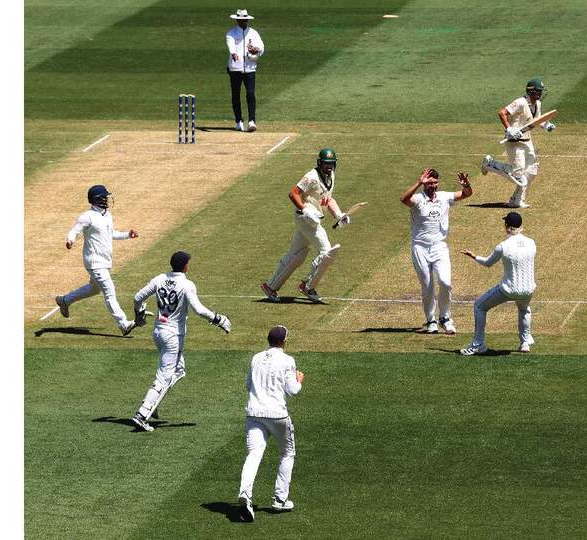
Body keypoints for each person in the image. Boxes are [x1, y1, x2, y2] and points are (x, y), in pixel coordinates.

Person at [130, 251, 232, 432]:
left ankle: (153, 401)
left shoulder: (159, 278)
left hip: (158, 332)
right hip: (173, 337)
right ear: (184, 265)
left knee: (178, 370)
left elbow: (138, 298)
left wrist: (139, 315)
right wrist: (219, 319)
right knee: (164, 376)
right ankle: (142, 414)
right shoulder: (186, 284)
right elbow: (199, 310)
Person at [261, 148, 351, 304]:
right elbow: (293, 193)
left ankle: (270, 286)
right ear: (320, 163)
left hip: (314, 219)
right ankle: (308, 286)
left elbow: (327, 199)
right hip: (305, 219)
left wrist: (339, 215)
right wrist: (304, 209)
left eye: (331, 164)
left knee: (297, 255)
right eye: (326, 164)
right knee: (327, 251)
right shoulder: (311, 177)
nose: (329, 168)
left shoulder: (330, 177)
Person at [238, 325, 304, 521]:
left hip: (254, 413)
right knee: (287, 452)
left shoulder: (256, 358)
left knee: (254, 454)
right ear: (283, 342)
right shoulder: (288, 361)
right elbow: (293, 390)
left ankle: (245, 494)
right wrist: (299, 380)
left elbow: (248, 385)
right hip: (277, 415)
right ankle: (280, 499)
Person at [55, 184, 139, 335]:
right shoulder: (87, 216)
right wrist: (70, 240)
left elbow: (111, 234)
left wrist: (127, 234)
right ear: (97, 199)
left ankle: (64, 300)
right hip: (94, 262)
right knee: (109, 291)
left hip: (105, 261)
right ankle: (123, 324)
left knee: (93, 289)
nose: (107, 199)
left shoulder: (107, 215)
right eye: (105, 197)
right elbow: (75, 231)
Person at [400, 167, 473, 333]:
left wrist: (467, 184)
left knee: (446, 282)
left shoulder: (444, 197)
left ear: (438, 183)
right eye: (429, 183)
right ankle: (430, 320)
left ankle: (445, 318)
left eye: (434, 182)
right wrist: (419, 183)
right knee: (427, 286)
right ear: (425, 184)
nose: (432, 185)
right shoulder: (418, 199)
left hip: (439, 247)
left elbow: (467, 194)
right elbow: (404, 199)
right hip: (420, 247)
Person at [458, 212, 537, 355]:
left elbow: (488, 263)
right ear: (521, 227)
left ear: (507, 227)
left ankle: (478, 344)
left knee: (479, 306)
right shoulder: (531, 243)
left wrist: (474, 256)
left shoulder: (503, 246)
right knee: (524, 309)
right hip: (528, 288)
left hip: (509, 289)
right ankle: (525, 342)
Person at [480, 78, 556, 208]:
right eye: (537, 91)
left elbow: (536, 120)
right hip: (514, 142)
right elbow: (502, 113)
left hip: (527, 141)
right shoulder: (520, 102)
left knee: (532, 171)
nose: (539, 94)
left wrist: (546, 125)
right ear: (530, 91)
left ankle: (516, 200)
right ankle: (490, 164)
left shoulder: (537, 104)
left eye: (540, 92)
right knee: (517, 174)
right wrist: (509, 129)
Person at [226, 9, 264, 132]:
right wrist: (233, 53)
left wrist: (256, 50)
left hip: (250, 68)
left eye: (245, 20)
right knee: (236, 95)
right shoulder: (231, 33)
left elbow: (261, 48)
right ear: (237, 20)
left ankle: (252, 121)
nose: (243, 22)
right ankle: (238, 121)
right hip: (235, 68)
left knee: (250, 94)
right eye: (241, 20)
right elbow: (230, 45)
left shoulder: (253, 33)